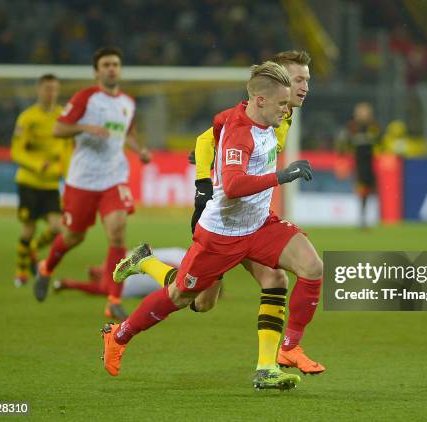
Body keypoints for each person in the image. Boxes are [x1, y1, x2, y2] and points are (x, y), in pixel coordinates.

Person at [102, 61, 323, 390]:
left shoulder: (247, 115)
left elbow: (218, 122)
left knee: (311, 267)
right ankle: (118, 335)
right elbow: (233, 186)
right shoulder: (241, 136)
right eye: (281, 103)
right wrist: (282, 175)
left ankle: (283, 354)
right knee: (184, 296)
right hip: (222, 234)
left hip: (260, 225)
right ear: (260, 101)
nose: (286, 108)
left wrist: (207, 149)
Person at [182, 50, 325, 375]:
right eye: (298, 79)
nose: (303, 87)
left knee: (278, 277)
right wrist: (204, 185)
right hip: (222, 217)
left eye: (307, 80)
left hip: (252, 220)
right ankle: (146, 263)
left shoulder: (282, 116)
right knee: (197, 300)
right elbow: (206, 140)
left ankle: (276, 359)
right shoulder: (251, 114)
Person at [33, 47, 151, 321]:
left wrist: (140, 150)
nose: (112, 69)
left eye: (115, 64)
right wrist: (87, 128)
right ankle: (46, 267)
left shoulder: (128, 103)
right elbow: (59, 129)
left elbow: (126, 134)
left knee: (118, 232)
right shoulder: (86, 98)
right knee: (74, 236)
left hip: (114, 177)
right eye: (106, 65)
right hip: (82, 180)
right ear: (97, 71)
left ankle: (114, 299)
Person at [10, 74, 72, 287]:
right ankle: (21, 271)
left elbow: (67, 148)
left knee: (57, 227)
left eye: (54, 89)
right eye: (47, 89)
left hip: (51, 184)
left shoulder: (62, 115)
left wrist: (67, 170)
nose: (51, 93)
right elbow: (16, 151)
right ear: (39, 90)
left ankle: (33, 249)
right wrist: (37, 164)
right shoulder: (27, 118)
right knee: (28, 228)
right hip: (29, 181)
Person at [53, 247, 186, 298]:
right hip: (179, 275)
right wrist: (71, 285)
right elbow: (100, 290)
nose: (95, 271)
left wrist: (71, 285)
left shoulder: (122, 260)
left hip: (180, 266)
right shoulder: (122, 288)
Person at [336, 102, 381, 228]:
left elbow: (380, 141)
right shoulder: (352, 127)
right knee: (363, 191)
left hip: (372, 164)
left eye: (365, 112)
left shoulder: (374, 126)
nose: (363, 115)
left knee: (373, 191)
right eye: (361, 112)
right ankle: (363, 218)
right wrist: (342, 158)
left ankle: (374, 217)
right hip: (358, 166)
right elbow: (343, 143)